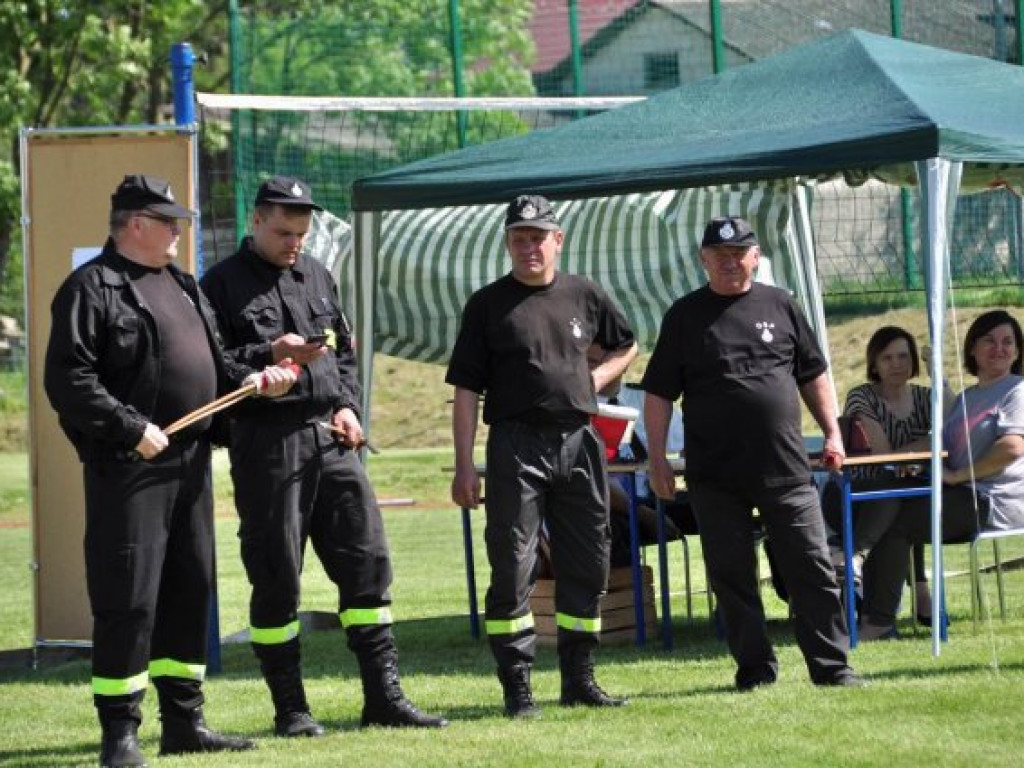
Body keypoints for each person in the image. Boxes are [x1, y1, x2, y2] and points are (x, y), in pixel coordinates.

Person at [44, 174, 298, 768]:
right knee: (128, 599)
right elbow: (70, 381)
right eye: (169, 222)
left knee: (189, 591)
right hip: (129, 468)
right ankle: (120, 736)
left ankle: (184, 723)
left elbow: (216, 362)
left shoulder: (183, 284)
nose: (181, 230)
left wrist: (260, 370)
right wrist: (132, 428)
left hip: (189, 462)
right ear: (136, 225)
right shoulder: (92, 287)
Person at [200, 176, 446, 736]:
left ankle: (383, 699)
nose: (294, 244)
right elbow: (213, 368)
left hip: (333, 442)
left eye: (302, 234)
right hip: (268, 445)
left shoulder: (317, 275)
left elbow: (345, 351)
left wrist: (348, 406)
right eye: (284, 232)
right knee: (277, 575)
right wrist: (266, 358)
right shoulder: (219, 286)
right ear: (255, 220)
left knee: (367, 565)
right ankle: (291, 711)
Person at [641, 215, 862, 690]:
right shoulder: (683, 316)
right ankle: (755, 671)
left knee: (812, 569)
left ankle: (833, 668)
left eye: (739, 253)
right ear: (703, 260)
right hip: (714, 475)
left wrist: (833, 433)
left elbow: (813, 374)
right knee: (732, 578)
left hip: (784, 468)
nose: (730, 262)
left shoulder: (781, 304)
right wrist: (657, 459)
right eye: (719, 255)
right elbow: (659, 393)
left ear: (756, 257)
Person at [447, 194, 638, 718]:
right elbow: (466, 391)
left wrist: (596, 379)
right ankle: (518, 688)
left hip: (579, 441)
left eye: (538, 236)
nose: (529, 246)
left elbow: (627, 344)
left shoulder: (584, 293)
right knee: (512, 565)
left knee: (589, 560)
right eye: (519, 238)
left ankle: (579, 679)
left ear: (559, 240)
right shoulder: (487, 305)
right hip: (516, 444)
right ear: (507, 243)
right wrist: (465, 465)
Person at [859, 310, 1024, 639]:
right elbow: (944, 445)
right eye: (989, 341)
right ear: (972, 349)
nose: (999, 348)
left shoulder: (1017, 391)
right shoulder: (967, 397)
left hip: (993, 501)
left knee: (897, 523)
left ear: (1018, 352)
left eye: (1008, 342)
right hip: (961, 493)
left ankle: (876, 619)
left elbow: (1012, 448)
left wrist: (958, 475)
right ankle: (872, 610)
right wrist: (919, 464)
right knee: (887, 503)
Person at [822, 326, 953, 622]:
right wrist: (927, 445)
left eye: (904, 357)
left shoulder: (925, 397)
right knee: (899, 486)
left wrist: (939, 376)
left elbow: (955, 430)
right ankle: (920, 592)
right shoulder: (862, 396)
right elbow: (883, 455)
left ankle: (855, 558)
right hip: (853, 494)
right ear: (875, 364)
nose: (896, 364)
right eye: (888, 357)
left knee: (906, 496)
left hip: (897, 497)